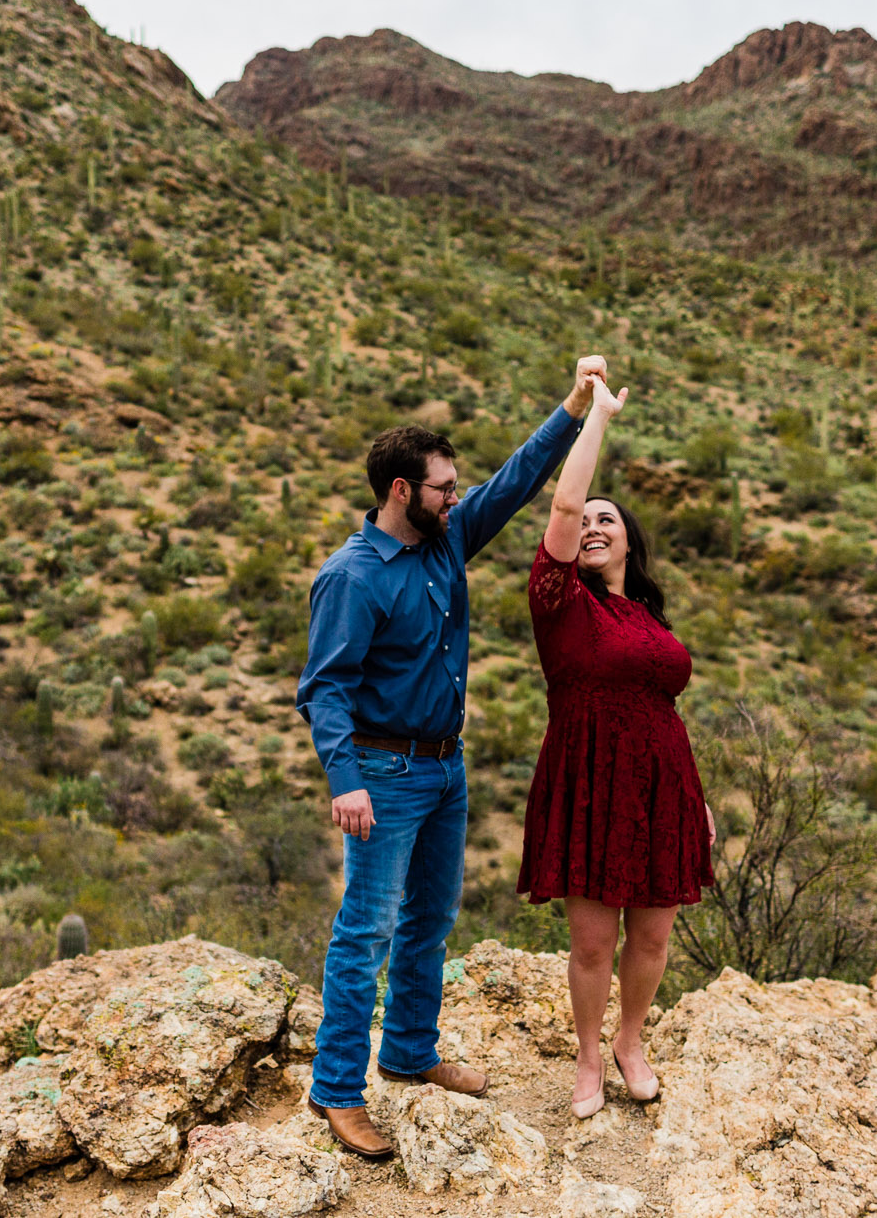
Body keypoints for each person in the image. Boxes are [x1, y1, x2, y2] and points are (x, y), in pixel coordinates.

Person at [296, 355, 611, 1159]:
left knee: (431, 918)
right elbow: (324, 688)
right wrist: (347, 781)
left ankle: (408, 1050)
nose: (457, 496)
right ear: (402, 491)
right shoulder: (352, 577)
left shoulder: (447, 540)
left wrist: (573, 406)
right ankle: (336, 1089)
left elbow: (515, 480)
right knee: (365, 929)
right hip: (385, 775)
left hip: (446, 766)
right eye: (443, 487)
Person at [517, 374, 716, 1119]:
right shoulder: (559, 601)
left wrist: (696, 802)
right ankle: (590, 1057)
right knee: (594, 942)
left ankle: (633, 1041)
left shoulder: (649, 617)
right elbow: (566, 503)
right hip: (591, 780)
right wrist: (595, 415)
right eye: (587, 520)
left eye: (610, 518)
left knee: (655, 934)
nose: (594, 524)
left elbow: (665, 711)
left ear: (632, 537)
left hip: (662, 783)